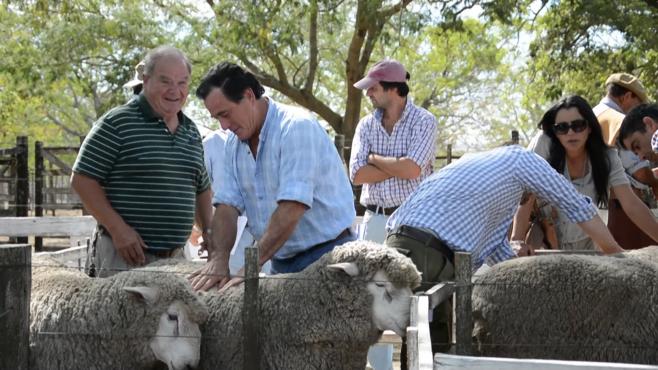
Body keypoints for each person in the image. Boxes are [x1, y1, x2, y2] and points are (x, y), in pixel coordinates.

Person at [385, 145, 624, 360]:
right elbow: (574, 203)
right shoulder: (523, 159)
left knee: (418, 336)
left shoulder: (479, 171)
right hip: (429, 253)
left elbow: (499, 254)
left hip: (399, 241)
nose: (529, 204)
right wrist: (618, 256)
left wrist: (526, 272)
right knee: (430, 346)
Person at [189, 62, 356, 291]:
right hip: (280, 261)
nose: (224, 126)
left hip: (329, 258)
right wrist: (220, 258)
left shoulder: (296, 127)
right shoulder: (232, 144)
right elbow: (226, 206)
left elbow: (292, 207)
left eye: (225, 114)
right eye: (217, 117)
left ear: (248, 96)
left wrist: (251, 265)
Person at [71, 46, 213, 277]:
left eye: (182, 83)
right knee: (118, 313)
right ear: (146, 80)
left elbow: (201, 188)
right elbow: (82, 180)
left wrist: (209, 231)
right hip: (125, 256)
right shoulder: (117, 123)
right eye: (166, 81)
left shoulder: (191, 131)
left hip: (176, 258)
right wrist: (118, 230)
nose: (175, 91)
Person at [349, 59, 437, 370]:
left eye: (373, 87)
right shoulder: (365, 124)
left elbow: (413, 168)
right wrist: (396, 166)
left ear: (393, 89)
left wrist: (376, 159)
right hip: (374, 220)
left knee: (409, 298)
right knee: (369, 298)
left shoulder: (424, 121)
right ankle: (376, 368)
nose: (368, 94)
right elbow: (357, 174)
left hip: (413, 224)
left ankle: (412, 365)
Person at [513, 95, 658, 250]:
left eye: (578, 125)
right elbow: (525, 197)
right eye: (562, 128)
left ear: (589, 127)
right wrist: (516, 241)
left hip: (591, 246)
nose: (570, 133)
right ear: (554, 131)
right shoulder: (544, 144)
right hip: (547, 244)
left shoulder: (607, 157)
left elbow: (631, 204)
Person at [592, 73, 658, 248]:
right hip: (625, 211)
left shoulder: (592, 115)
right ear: (628, 96)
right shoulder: (619, 121)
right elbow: (641, 174)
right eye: (639, 104)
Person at [201, 129, 271, 274]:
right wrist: (207, 230)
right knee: (228, 286)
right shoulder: (211, 143)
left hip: (269, 234)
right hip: (231, 238)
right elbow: (200, 189)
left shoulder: (268, 137)